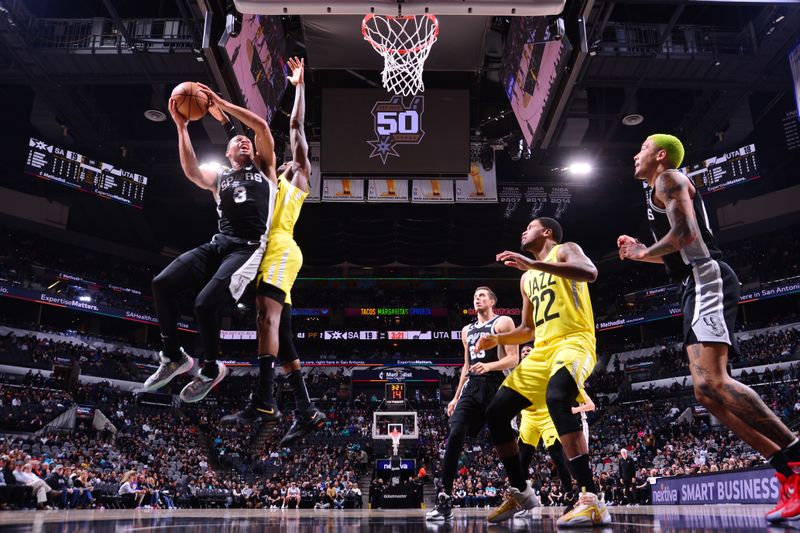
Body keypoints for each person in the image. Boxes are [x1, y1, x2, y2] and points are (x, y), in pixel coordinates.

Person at [618, 133, 800, 523]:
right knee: (706, 394)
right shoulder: (655, 193)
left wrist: (642, 251)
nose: (636, 154)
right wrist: (643, 253)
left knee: (714, 383)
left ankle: (797, 456)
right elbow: (680, 250)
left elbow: (687, 236)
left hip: (707, 279)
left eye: (643, 147)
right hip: (692, 281)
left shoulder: (670, 179)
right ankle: (788, 473)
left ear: (661, 155)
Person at [143, 79, 279, 403]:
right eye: (238, 142)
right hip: (220, 243)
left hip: (249, 248)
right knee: (162, 284)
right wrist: (181, 127)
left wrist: (221, 104)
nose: (244, 142)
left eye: (248, 142)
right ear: (228, 152)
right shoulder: (220, 176)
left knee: (205, 304)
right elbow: (191, 170)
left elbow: (259, 125)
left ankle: (211, 367)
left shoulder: (265, 168)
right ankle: (173, 355)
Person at [475, 217, 610, 526]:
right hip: (542, 350)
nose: (524, 231)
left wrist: (533, 265)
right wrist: (498, 338)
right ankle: (521, 491)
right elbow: (526, 329)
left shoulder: (565, 250)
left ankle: (591, 499)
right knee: (496, 412)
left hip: (575, 341)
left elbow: (590, 272)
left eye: (531, 226)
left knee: (558, 396)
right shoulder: (526, 279)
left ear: (547, 232)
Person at [220, 57, 325, 448]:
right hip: (263, 255)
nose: (279, 160)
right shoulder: (260, 184)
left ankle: (264, 400)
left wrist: (299, 86)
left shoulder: (294, 180)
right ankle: (306, 409)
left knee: (265, 318)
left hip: (281, 248)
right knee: (282, 334)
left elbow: (295, 127)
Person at [426, 287, 519, 521]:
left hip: (497, 383)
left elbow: (513, 358)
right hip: (473, 386)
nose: (477, 298)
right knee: (456, 431)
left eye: (482, 295)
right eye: (475, 296)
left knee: (504, 441)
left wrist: (488, 366)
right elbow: (466, 366)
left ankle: (520, 492)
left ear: (493, 301)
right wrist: (456, 397)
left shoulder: (504, 322)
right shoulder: (466, 330)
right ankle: (444, 498)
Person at [513, 344, 577, 519]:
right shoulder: (516, 372)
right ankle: (524, 502)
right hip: (528, 419)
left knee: (558, 457)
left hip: (547, 416)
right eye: (523, 351)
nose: (526, 352)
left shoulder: (545, 366)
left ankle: (570, 497)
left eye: (529, 350)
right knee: (522, 462)